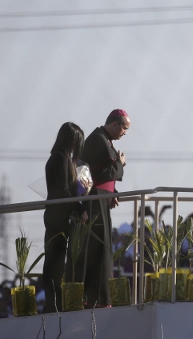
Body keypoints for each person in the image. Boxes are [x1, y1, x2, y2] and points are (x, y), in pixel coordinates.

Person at [80, 109, 130, 308]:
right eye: (124, 128)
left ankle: (101, 298)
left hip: (102, 200)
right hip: (94, 201)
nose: (125, 133)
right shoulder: (98, 139)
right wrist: (121, 163)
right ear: (115, 124)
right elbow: (104, 172)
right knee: (97, 249)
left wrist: (112, 192)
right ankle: (95, 298)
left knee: (103, 249)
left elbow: (103, 174)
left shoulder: (103, 139)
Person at [42, 122, 88, 313]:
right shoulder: (60, 160)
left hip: (55, 215)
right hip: (58, 217)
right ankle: (54, 304)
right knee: (55, 262)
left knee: (55, 261)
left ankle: (54, 303)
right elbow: (63, 192)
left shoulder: (57, 158)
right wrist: (80, 207)